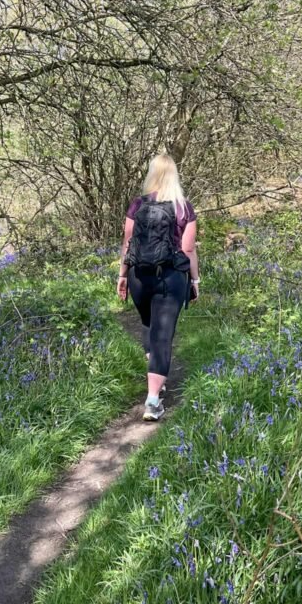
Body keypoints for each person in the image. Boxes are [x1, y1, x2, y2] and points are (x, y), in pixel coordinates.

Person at [117, 154, 199, 421]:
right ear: (174, 175)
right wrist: (195, 280)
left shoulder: (137, 205)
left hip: (139, 276)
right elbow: (187, 249)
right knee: (162, 336)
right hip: (170, 277)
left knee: (150, 326)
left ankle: (156, 380)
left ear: (151, 175)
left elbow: (127, 242)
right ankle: (153, 401)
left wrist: (123, 275)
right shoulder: (183, 208)